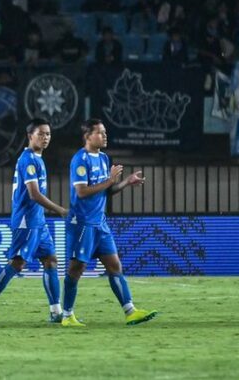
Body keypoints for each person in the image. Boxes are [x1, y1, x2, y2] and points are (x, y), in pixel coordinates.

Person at [62, 119, 158, 327]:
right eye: (100, 133)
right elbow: (82, 191)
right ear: (88, 136)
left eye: (105, 132)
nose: (105, 136)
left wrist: (125, 182)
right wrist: (110, 180)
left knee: (115, 265)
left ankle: (130, 311)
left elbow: (107, 190)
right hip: (82, 223)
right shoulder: (80, 159)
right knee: (76, 269)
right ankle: (67, 315)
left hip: (100, 223)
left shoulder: (104, 158)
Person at [0, 118, 67, 325]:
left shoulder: (37, 159)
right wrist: (59, 209)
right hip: (27, 220)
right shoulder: (28, 160)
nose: (45, 138)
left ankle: (56, 311)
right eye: (41, 134)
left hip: (37, 220)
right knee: (17, 263)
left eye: (48, 134)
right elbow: (33, 194)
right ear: (30, 136)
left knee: (50, 260)